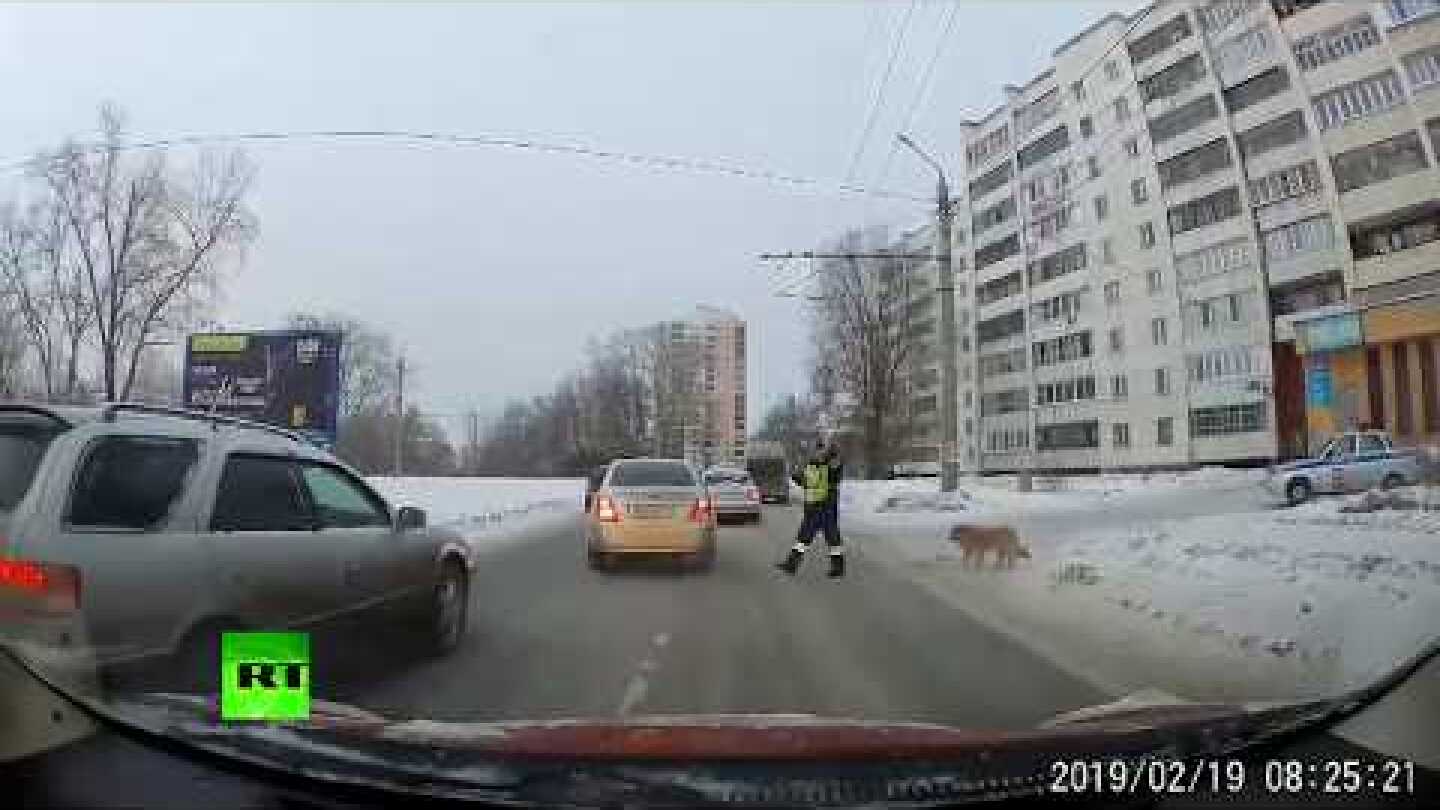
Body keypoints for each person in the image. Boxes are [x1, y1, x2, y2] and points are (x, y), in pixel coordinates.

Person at [776, 441, 845, 578]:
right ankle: (791, 565)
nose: (818, 453)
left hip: (826, 508)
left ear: (826, 453)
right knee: (803, 537)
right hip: (812, 508)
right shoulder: (811, 466)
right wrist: (796, 477)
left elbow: (835, 475)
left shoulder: (831, 466)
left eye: (821, 451)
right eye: (817, 451)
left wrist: (833, 456)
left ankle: (838, 568)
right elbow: (806, 482)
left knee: (833, 539)